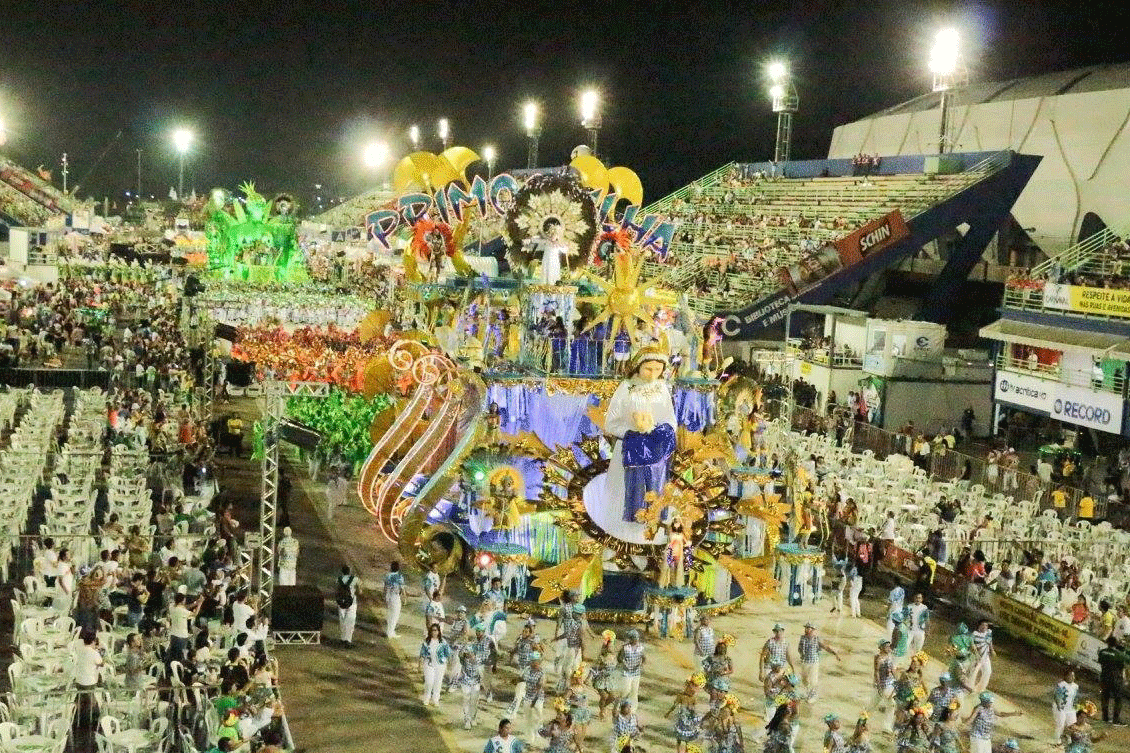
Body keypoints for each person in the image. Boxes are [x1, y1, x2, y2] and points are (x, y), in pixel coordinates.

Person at [798, 621, 840, 701]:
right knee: (804, 679)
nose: (806, 630)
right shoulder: (802, 638)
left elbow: (826, 647)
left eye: (808, 628)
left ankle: (812, 694)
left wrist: (835, 653)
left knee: (813, 680)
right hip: (804, 661)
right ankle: (808, 691)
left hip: (814, 662)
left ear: (813, 630)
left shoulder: (817, 639)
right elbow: (799, 648)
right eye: (806, 628)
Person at [1096, 636, 1128, 724]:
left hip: (1104, 677)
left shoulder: (1102, 652)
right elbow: (1123, 666)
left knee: (1105, 697)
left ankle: (1105, 717)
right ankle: (1116, 719)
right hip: (1116, 679)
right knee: (1118, 699)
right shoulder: (1120, 655)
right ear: (1116, 643)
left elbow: (1100, 661)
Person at [419, 622, 450, 707]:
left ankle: (435, 699)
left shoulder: (443, 642)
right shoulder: (427, 641)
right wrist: (420, 665)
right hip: (429, 664)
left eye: (436, 630)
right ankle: (427, 698)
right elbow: (422, 653)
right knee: (429, 682)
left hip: (440, 665)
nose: (434, 632)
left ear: (439, 631)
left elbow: (448, 653)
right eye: (432, 630)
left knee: (438, 682)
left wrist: (446, 663)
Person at [665, 684, 701, 753]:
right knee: (679, 737)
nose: (692, 692)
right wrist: (669, 712)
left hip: (689, 718)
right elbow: (675, 705)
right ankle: (678, 751)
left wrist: (694, 715)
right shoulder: (681, 696)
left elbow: (694, 709)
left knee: (688, 737)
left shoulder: (693, 698)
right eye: (689, 689)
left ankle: (687, 750)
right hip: (682, 717)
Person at [617, 629, 646, 709]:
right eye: (634, 639)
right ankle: (621, 707)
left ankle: (633, 709)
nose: (636, 640)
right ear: (631, 639)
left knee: (634, 691)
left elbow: (643, 657)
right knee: (625, 691)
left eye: (637, 639)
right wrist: (624, 663)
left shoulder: (641, 647)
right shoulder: (625, 648)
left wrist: (641, 664)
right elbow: (619, 658)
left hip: (636, 672)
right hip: (626, 672)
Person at [1051, 666, 1079, 744]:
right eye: (1070, 675)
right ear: (1066, 676)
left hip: (1070, 709)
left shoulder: (1076, 686)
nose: (1072, 677)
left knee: (1073, 726)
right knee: (1061, 724)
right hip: (1060, 708)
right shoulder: (1061, 685)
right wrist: (1059, 706)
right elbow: (1057, 696)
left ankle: (1070, 741)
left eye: (1073, 676)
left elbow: (1075, 698)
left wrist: (1076, 706)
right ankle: (1057, 741)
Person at [335, 565, 360, 647]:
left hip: (341, 602)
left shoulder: (338, 579)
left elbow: (337, 590)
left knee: (342, 620)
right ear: (349, 571)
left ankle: (343, 638)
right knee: (350, 621)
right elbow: (360, 591)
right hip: (352, 602)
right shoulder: (355, 579)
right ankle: (348, 640)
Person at [970, 619, 996, 693]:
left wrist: (992, 650)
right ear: (979, 626)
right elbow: (972, 644)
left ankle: (980, 688)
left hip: (985, 657)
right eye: (983, 625)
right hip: (976, 657)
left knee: (988, 672)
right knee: (973, 673)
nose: (985, 627)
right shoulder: (975, 634)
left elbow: (990, 641)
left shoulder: (989, 632)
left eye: (986, 625)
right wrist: (975, 653)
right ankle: (970, 687)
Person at [384, 560, 407, 638]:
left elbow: (385, 587)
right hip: (395, 596)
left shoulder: (388, 575)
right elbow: (402, 588)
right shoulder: (399, 576)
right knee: (395, 615)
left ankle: (390, 631)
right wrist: (404, 597)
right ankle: (390, 632)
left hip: (388, 596)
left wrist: (384, 596)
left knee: (390, 614)